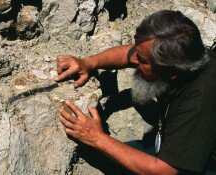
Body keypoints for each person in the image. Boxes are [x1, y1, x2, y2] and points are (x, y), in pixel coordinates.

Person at [55, 10, 216, 175]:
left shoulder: (200, 101)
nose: (133, 61)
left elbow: (164, 171)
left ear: (171, 71)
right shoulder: (185, 56)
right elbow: (128, 54)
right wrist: (89, 62)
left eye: (143, 61)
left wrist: (96, 137)